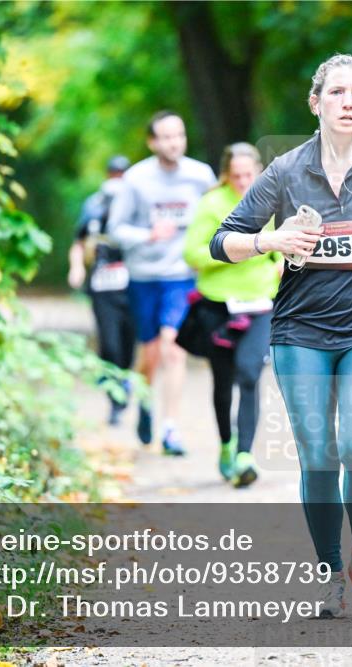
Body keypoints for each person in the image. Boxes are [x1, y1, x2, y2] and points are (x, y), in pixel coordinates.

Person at [210, 54, 352, 617]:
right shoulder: (285, 170)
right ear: (317, 102)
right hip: (300, 329)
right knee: (318, 455)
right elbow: (222, 239)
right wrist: (270, 242)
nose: (348, 102)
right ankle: (328, 572)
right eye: (337, 93)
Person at [108, 111, 216, 456]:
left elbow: (218, 217)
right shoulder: (136, 179)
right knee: (150, 353)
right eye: (166, 137)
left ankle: (171, 428)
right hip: (144, 276)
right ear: (152, 142)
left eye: (180, 135)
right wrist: (148, 235)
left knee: (173, 347)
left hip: (182, 275)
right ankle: (144, 402)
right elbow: (116, 229)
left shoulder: (200, 176)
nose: (174, 143)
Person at [182, 143, 281, 487]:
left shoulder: (270, 201)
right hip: (219, 306)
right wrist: (231, 251)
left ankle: (245, 454)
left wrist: (280, 261)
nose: (243, 181)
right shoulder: (211, 204)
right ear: (226, 175)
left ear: (258, 172)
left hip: (260, 303)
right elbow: (192, 253)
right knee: (222, 383)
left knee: (250, 372)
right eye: (236, 176)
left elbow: (280, 244)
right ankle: (225, 444)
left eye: (249, 175)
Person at [68, 155, 135, 425]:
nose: (117, 179)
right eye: (114, 173)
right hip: (102, 284)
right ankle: (115, 400)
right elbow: (78, 241)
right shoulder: (94, 205)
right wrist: (76, 268)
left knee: (128, 343)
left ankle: (125, 381)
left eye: (122, 174)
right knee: (109, 343)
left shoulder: (136, 204)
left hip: (132, 283)